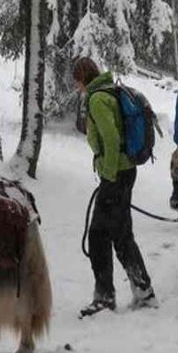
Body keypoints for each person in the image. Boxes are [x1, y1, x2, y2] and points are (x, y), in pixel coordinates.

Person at [73, 56, 156, 317]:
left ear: (82, 78)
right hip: (126, 170)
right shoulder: (109, 90)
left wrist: (107, 174)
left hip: (116, 174)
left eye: (77, 81)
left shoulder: (97, 99)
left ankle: (104, 297)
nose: (77, 87)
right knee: (121, 234)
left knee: (98, 235)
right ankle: (143, 290)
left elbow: (110, 137)